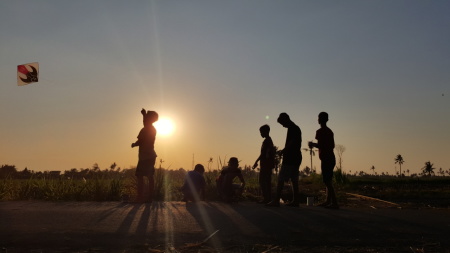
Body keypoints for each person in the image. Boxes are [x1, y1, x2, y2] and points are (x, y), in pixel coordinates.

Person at [267, 113, 302, 207]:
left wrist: (283, 150)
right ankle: (296, 201)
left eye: (282, 123)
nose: (283, 125)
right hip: (296, 157)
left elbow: (292, 142)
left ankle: (276, 200)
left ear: (286, 119)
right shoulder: (295, 128)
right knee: (294, 179)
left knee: (281, 179)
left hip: (291, 158)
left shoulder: (293, 129)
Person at [308, 112, 339, 209]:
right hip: (330, 157)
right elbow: (332, 145)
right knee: (328, 180)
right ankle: (328, 201)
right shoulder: (330, 131)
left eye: (318, 118)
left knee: (327, 181)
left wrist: (312, 144)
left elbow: (321, 145)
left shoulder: (320, 131)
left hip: (326, 158)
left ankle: (334, 202)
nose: (318, 119)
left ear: (320, 119)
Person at [131, 109, 158, 203]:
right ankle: (149, 197)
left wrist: (135, 144)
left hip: (145, 157)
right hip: (149, 156)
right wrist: (144, 115)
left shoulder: (147, 129)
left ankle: (140, 197)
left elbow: (141, 140)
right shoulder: (150, 128)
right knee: (149, 176)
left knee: (140, 176)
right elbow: (145, 123)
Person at [252, 124, 275, 204]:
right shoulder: (267, 141)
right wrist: (257, 161)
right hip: (266, 164)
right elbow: (262, 154)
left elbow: (268, 151)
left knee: (263, 181)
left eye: (261, 132)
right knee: (267, 181)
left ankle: (266, 198)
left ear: (266, 132)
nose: (261, 134)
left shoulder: (268, 141)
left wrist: (267, 154)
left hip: (266, 165)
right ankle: (268, 198)